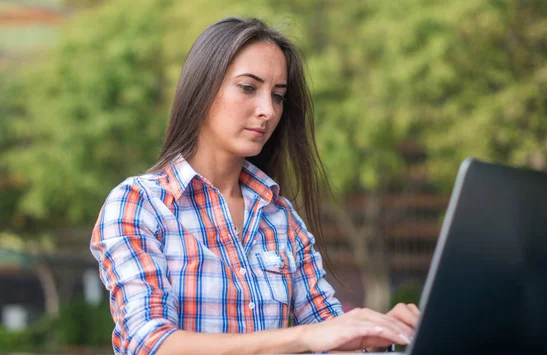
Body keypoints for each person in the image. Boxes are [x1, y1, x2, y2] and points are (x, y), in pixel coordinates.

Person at [90, 17, 420, 355]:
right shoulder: (138, 204)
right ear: (202, 88)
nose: (267, 111)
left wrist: (378, 336)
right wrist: (303, 337)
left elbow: (331, 335)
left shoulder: (280, 218)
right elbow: (150, 343)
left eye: (278, 96)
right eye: (248, 88)